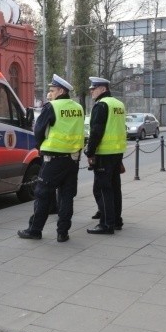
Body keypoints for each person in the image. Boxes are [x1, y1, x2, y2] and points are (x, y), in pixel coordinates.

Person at [18, 74, 84, 243]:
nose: (50, 93)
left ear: (61, 90)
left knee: (42, 195)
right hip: (73, 160)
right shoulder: (78, 107)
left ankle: (35, 230)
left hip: (53, 160)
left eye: (52, 90)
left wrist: (41, 147)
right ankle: (63, 233)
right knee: (67, 196)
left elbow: (39, 130)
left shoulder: (51, 107)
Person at [84, 77, 127, 234]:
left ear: (102, 89)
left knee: (104, 189)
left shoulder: (101, 105)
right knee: (115, 188)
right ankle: (117, 221)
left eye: (93, 89)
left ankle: (106, 224)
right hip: (117, 152)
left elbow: (96, 131)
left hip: (104, 153)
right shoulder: (119, 104)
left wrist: (90, 151)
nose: (91, 92)